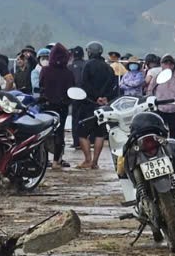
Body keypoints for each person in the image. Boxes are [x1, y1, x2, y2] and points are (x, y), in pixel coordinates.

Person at [79, 41, 117, 169]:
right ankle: (95, 162)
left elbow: (84, 84)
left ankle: (87, 160)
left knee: (82, 133)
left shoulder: (87, 65)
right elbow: (114, 86)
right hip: (104, 106)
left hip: (89, 104)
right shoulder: (109, 68)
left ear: (89, 52)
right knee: (100, 133)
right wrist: (106, 98)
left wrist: (96, 98)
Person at [40, 43, 75, 168]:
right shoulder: (69, 73)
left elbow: (41, 86)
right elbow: (71, 91)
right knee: (59, 133)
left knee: (44, 133)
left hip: (46, 106)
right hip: (62, 107)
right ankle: (56, 161)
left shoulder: (45, 70)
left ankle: (43, 160)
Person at [148, 55, 175, 140]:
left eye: (170, 64)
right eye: (165, 63)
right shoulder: (157, 77)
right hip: (160, 110)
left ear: (174, 66)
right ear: (161, 64)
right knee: (160, 135)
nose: (168, 66)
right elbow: (150, 91)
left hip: (174, 110)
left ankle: (174, 152)